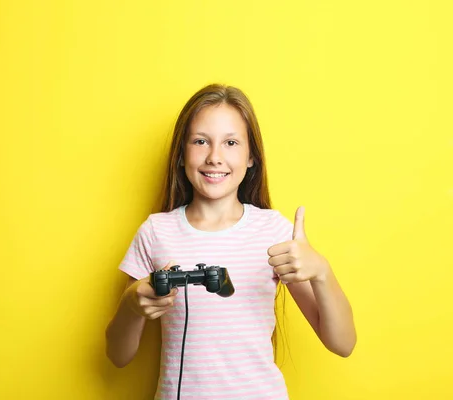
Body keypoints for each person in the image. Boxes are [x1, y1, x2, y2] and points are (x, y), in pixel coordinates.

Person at [105, 84, 356, 400]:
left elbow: (343, 343)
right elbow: (118, 355)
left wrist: (322, 272)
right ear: (181, 154)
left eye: (231, 143)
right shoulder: (157, 232)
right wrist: (131, 305)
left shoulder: (273, 231)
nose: (214, 157)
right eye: (200, 141)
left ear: (251, 157)